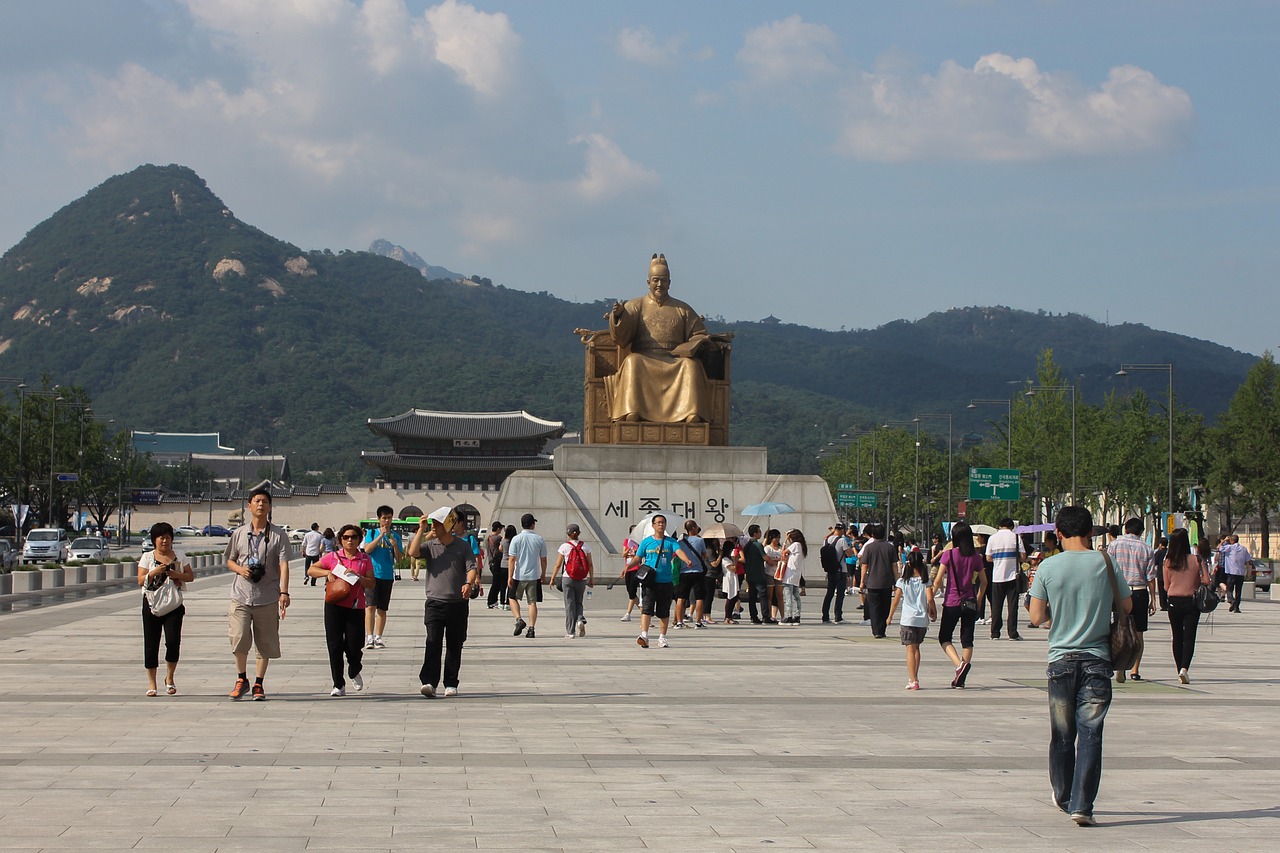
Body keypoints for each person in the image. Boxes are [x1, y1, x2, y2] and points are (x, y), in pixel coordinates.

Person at [1029, 505, 1132, 826]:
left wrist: (1058, 609)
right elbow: (1127, 605)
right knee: (1091, 734)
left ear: (1057, 533)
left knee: (1062, 734)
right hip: (1098, 662)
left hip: (1061, 661)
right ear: (1091, 532)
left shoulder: (1048, 566)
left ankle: (1063, 795)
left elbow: (1035, 617)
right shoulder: (1105, 562)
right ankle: (1082, 806)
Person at [602, 253, 713, 423]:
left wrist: (700, 341)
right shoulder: (635, 305)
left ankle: (691, 413)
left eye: (663, 280)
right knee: (632, 362)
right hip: (645, 357)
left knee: (691, 366)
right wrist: (619, 316)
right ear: (648, 282)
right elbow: (622, 336)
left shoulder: (682, 309)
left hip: (675, 359)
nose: (659, 284)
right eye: (655, 280)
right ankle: (632, 411)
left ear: (669, 282)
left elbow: (699, 333)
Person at [223, 487, 292, 701]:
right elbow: (229, 560)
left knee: (265, 642)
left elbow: (284, 565)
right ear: (249, 506)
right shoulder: (239, 533)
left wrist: (284, 592)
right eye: (257, 501)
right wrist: (240, 570)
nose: (261, 504)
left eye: (264, 501)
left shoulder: (279, 535)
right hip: (241, 594)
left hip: (268, 596)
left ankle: (258, 684)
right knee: (239, 636)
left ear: (270, 507)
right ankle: (241, 678)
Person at [409, 506, 480, 698]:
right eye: (433, 523)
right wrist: (421, 530)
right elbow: (413, 552)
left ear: (448, 525)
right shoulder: (430, 546)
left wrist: (468, 582)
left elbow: (472, 567)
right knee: (432, 641)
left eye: (437, 524)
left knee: (455, 644)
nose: (434, 527)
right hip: (434, 603)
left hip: (457, 603)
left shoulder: (462, 546)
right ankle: (429, 682)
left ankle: (450, 682)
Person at [309, 524, 375, 696]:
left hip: (355, 606)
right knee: (335, 645)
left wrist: (359, 577)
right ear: (340, 540)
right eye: (346, 537)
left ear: (359, 539)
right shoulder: (333, 557)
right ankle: (338, 684)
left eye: (353, 537)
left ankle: (354, 668)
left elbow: (372, 583)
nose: (350, 540)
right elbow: (311, 569)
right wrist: (327, 573)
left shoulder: (364, 559)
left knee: (354, 645)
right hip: (334, 605)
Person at [138, 522, 194, 697]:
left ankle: (169, 678)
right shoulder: (147, 557)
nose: (165, 541)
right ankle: (152, 683)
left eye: (168, 537)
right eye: (161, 537)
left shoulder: (179, 555)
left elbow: (190, 576)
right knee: (151, 643)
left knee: (172, 641)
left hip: (174, 605)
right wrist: (155, 571)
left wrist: (177, 575)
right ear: (154, 540)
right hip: (151, 603)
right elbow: (140, 580)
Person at [932, 522, 988, 688]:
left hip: (952, 602)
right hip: (970, 601)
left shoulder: (948, 555)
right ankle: (961, 677)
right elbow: (984, 582)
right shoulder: (976, 557)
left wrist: (930, 600)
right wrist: (978, 600)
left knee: (944, 637)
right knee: (967, 639)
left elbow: (937, 580)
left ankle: (959, 665)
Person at [630, 514, 695, 648]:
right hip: (649, 581)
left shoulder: (671, 542)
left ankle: (662, 637)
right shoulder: (646, 542)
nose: (661, 525)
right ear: (653, 525)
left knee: (663, 611)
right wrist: (628, 567)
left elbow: (679, 551)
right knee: (646, 609)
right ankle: (644, 635)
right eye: (658, 523)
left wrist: (686, 560)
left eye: (663, 523)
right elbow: (638, 558)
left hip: (665, 581)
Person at [1105, 517, 1156, 682]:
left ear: (1125, 529)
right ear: (1141, 532)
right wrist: (1153, 599)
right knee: (1139, 633)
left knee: (1118, 628)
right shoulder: (1147, 549)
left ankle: (1118, 664)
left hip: (1118, 592)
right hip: (1139, 591)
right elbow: (1150, 577)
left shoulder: (1114, 545)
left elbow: (1108, 569)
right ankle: (1134, 669)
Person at [1164, 527, 1212, 683]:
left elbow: (1166, 586)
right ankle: (1185, 668)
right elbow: (1207, 581)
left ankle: (1179, 669)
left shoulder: (1168, 562)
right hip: (1191, 602)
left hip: (1173, 601)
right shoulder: (1196, 559)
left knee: (1176, 637)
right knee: (1189, 637)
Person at [886, 550, 935, 690]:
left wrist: (889, 617)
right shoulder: (926, 581)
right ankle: (915, 677)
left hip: (908, 619)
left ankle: (913, 680)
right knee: (917, 648)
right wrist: (932, 612)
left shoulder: (902, 581)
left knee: (909, 650)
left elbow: (895, 601)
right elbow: (930, 599)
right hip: (921, 620)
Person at [362, 505, 402, 649]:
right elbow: (367, 550)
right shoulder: (372, 533)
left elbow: (399, 559)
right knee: (370, 606)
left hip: (387, 575)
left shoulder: (395, 536)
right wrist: (380, 536)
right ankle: (369, 637)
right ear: (379, 519)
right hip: (372, 575)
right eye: (384, 518)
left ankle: (379, 637)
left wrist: (395, 546)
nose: (387, 521)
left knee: (382, 608)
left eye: (389, 518)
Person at [548, 523, 595, 638]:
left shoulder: (564, 546)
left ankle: (570, 632)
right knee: (579, 602)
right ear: (578, 533)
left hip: (568, 578)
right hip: (582, 578)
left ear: (568, 534)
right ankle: (579, 619)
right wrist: (591, 579)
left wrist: (553, 578)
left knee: (569, 605)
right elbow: (590, 564)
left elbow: (558, 564)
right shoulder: (586, 547)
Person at [507, 513, 547, 639]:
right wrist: (543, 573)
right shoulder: (539, 539)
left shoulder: (516, 539)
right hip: (534, 575)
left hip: (518, 575)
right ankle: (531, 629)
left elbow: (512, 559)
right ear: (533, 524)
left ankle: (519, 619)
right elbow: (543, 559)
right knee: (532, 602)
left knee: (512, 597)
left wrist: (509, 576)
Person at [986, 517, 1026, 640]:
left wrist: (999, 559)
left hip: (997, 577)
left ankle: (995, 633)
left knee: (996, 606)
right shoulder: (1015, 537)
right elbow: (1023, 556)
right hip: (1012, 576)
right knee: (1012, 606)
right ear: (1011, 527)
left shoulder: (992, 538)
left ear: (1000, 526)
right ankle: (1012, 633)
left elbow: (988, 558)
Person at [858, 523, 898, 638]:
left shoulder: (869, 547)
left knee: (874, 607)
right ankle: (882, 629)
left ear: (873, 534)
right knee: (885, 606)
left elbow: (864, 565)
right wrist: (896, 580)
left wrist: (862, 581)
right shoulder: (890, 547)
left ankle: (876, 631)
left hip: (872, 582)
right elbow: (894, 565)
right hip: (886, 582)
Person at [674, 520, 707, 628]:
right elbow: (704, 555)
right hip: (697, 571)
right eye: (696, 527)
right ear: (693, 528)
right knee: (699, 598)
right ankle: (698, 622)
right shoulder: (700, 540)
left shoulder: (680, 542)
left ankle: (679, 622)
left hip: (684, 572)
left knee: (681, 597)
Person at [742, 524, 776, 625]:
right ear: (755, 533)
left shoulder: (747, 545)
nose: (760, 533)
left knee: (752, 597)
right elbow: (765, 558)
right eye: (759, 532)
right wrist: (774, 562)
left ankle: (753, 617)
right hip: (759, 574)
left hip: (750, 574)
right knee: (763, 596)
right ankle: (766, 616)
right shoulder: (757, 545)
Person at [821, 523, 853, 624]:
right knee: (840, 594)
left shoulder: (826, 540)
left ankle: (825, 616)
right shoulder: (842, 540)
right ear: (843, 530)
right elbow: (849, 554)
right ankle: (838, 616)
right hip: (841, 570)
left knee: (829, 594)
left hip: (830, 570)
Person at [777, 529, 807, 624]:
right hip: (796, 574)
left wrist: (785, 541)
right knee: (796, 596)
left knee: (788, 596)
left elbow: (783, 552)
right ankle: (797, 615)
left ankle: (788, 616)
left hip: (789, 575)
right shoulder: (801, 546)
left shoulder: (795, 545)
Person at [1217, 534, 1252, 612]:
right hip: (1241, 573)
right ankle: (1237, 608)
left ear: (1231, 541)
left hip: (1231, 572)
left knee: (1229, 589)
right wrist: (1248, 573)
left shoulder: (1229, 547)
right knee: (1238, 591)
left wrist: (1224, 540)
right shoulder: (1244, 549)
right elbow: (1248, 562)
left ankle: (1232, 601)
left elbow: (1219, 547)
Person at [617, 524, 641, 622]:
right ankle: (643, 610)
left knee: (632, 591)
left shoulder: (640, 542)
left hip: (636, 568)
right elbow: (623, 554)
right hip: (628, 568)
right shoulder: (627, 541)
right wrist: (628, 549)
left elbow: (640, 556)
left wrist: (636, 551)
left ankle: (628, 613)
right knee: (630, 591)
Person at [484, 522, 508, 609]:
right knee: (496, 583)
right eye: (501, 529)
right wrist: (506, 534)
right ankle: (491, 601)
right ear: (498, 529)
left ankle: (492, 601)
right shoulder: (498, 538)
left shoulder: (488, 538)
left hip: (491, 562)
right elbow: (504, 542)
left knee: (496, 582)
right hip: (497, 563)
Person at [721, 539, 742, 624]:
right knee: (730, 598)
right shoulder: (725, 559)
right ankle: (727, 617)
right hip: (729, 578)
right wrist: (735, 560)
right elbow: (733, 568)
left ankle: (730, 616)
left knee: (734, 597)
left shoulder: (729, 558)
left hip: (733, 578)